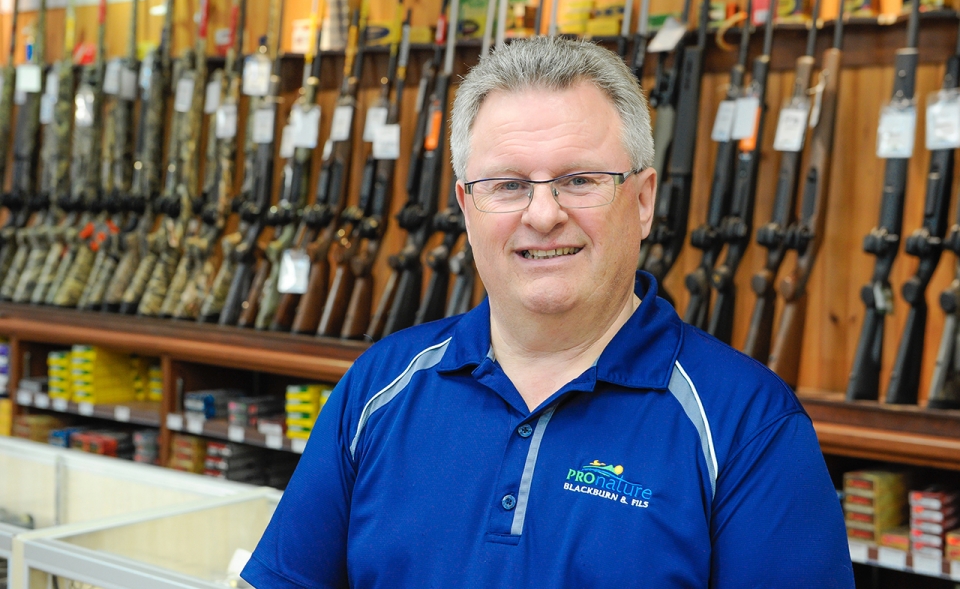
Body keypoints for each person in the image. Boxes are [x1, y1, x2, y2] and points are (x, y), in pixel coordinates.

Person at [241, 37, 854, 588]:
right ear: (466, 208)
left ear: (643, 201)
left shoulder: (749, 425)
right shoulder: (377, 388)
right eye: (508, 185)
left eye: (579, 180)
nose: (542, 214)